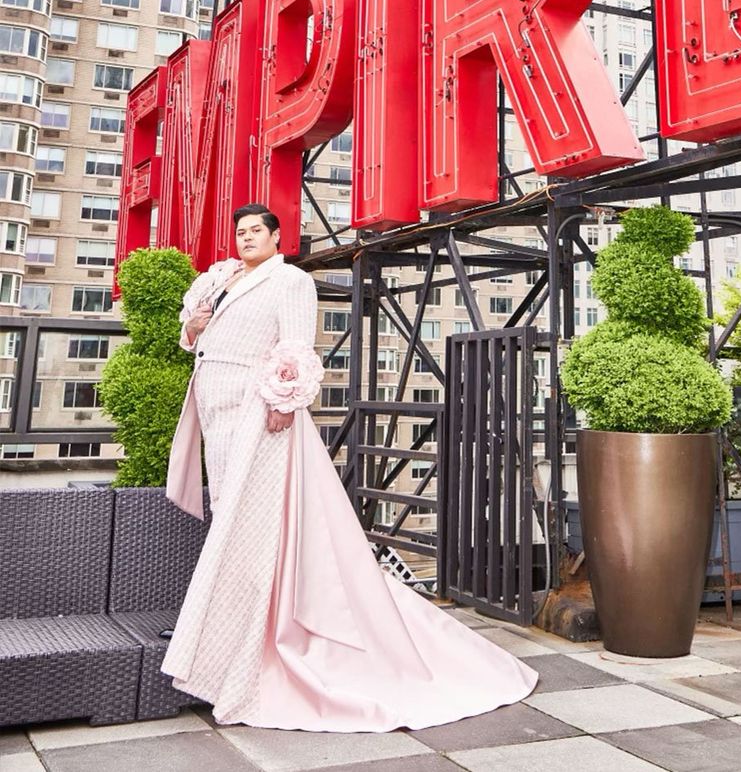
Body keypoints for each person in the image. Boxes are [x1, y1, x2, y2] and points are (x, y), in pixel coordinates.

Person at [161, 203, 539, 731]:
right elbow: (197, 341)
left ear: (276, 237)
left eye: (256, 232)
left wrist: (282, 400)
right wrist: (194, 326)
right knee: (229, 514)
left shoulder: (289, 280)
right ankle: (226, 635)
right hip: (217, 415)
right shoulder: (222, 281)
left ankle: (255, 641)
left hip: (255, 411)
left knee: (249, 525)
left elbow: (295, 344)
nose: (246, 239)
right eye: (240, 232)